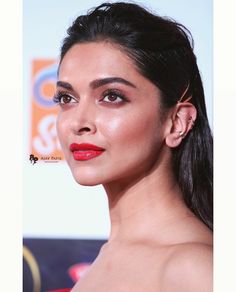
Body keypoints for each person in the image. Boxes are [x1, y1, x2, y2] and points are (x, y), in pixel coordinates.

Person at [53, 2, 213, 291]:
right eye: (67, 98)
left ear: (177, 122)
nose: (78, 122)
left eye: (111, 96)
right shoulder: (111, 254)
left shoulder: (195, 268)